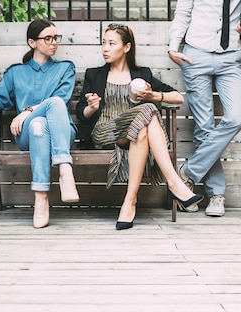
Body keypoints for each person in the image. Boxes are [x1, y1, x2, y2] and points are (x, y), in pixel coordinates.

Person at [76, 24, 204, 230]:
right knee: (148, 111)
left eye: (111, 43)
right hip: (105, 132)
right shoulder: (95, 74)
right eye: (103, 43)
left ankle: (130, 201)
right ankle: (174, 182)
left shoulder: (142, 74)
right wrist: (92, 107)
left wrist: (154, 95)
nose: (105, 49)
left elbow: (178, 97)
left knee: (143, 128)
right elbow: (81, 115)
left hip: (133, 134)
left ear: (126, 47)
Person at [0, 19, 79, 229]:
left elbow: (61, 98)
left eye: (55, 38)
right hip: (25, 136)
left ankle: (41, 198)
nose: (54, 43)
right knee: (36, 124)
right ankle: (64, 170)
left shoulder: (65, 69)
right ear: (32, 42)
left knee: (40, 121)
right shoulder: (15, 73)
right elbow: (0, 97)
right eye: (47, 38)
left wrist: (27, 112)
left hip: (61, 132)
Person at [168, 0, 241, 217]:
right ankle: (216, 194)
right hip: (195, 55)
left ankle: (187, 173)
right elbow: (183, 13)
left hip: (230, 58)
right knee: (204, 128)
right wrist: (173, 46)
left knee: (235, 119)